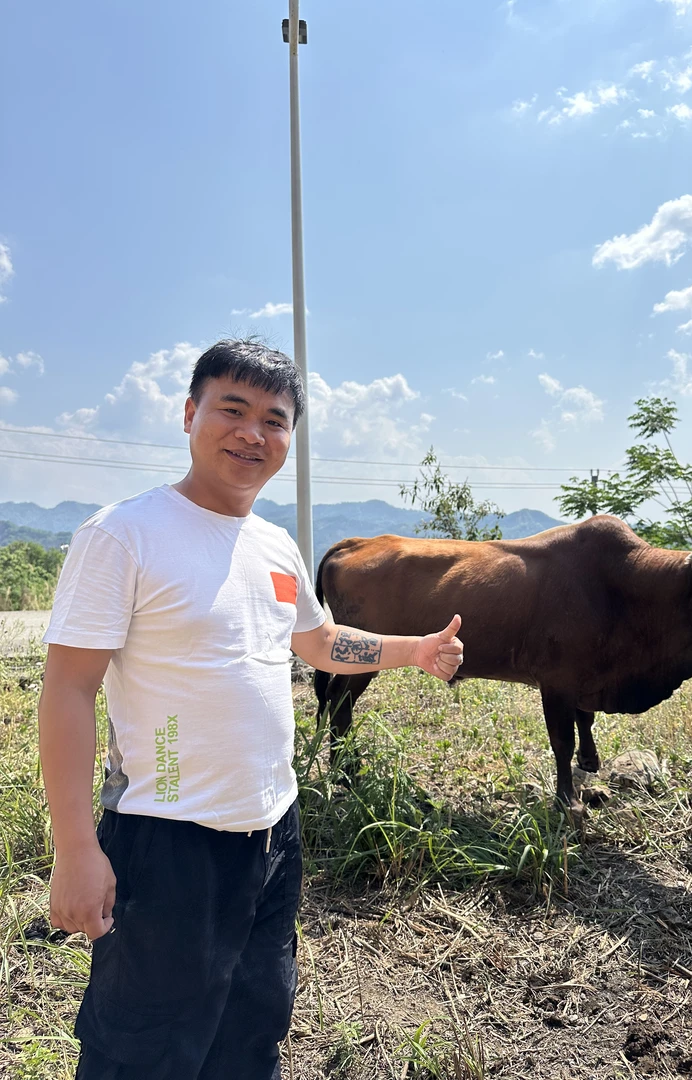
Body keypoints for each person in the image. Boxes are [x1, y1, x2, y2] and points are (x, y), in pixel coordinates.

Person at [38, 338, 464, 1080]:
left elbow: (320, 642)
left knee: (250, 1037)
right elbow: (69, 689)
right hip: (166, 838)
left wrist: (415, 649)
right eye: (232, 410)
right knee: (142, 1054)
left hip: (273, 836)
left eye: (274, 420)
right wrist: (75, 847)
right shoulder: (123, 535)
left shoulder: (274, 546)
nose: (252, 434)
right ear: (189, 414)